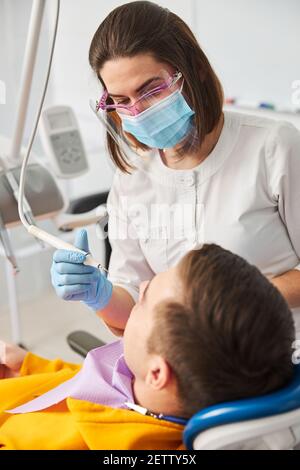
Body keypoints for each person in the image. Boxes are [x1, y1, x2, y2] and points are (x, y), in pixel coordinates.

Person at [51, 1, 300, 335]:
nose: (137, 112)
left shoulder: (273, 147)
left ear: (193, 68)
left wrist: (235, 300)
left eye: (150, 89)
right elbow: (131, 314)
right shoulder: (132, 179)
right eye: (121, 101)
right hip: (185, 367)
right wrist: (100, 295)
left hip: (281, 354)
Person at [0, 242, 295, 450]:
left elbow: (94, 408)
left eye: (144, 299)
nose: (139, 286)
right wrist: (29, 366)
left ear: (157, 374)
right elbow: (98, 388)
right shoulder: (145, 391)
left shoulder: (109, 438)